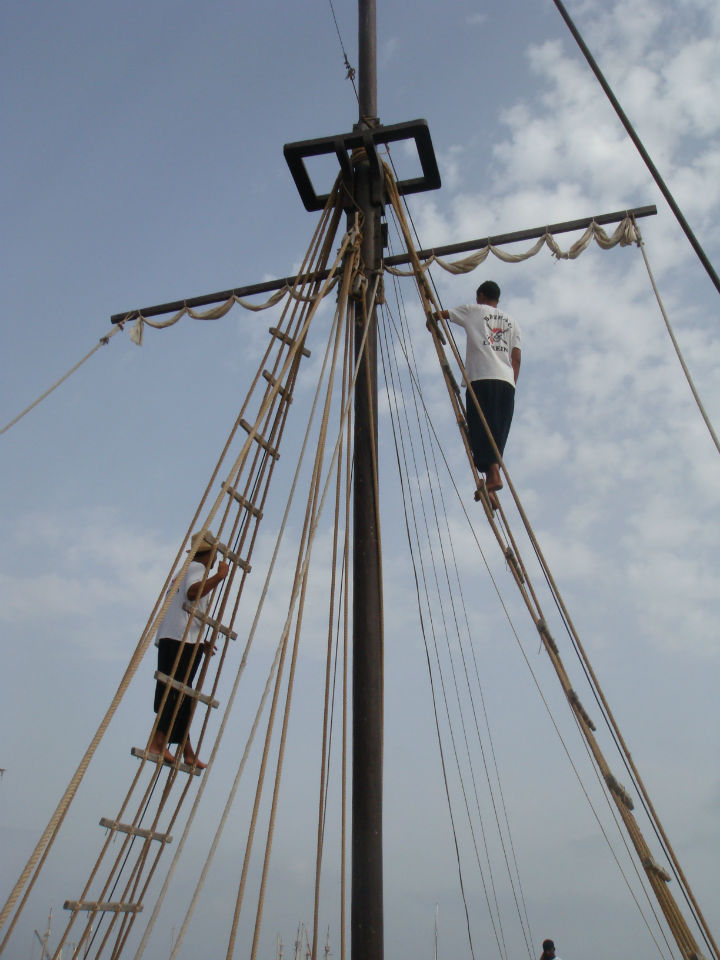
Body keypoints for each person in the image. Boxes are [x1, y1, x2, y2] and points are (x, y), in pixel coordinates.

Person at [148, 530, 229, 769]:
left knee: (179, 695)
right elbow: (193, 594)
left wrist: (200, 641)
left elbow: (184, 606)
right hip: (179, 639)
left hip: (177, 637)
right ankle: (160, 743)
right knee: (177, 694)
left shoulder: (183, 571)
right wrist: (220, 576)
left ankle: (185, 750)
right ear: (211, 553)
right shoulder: (196, 569)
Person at [439, 280, 521, 503]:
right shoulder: (513, 322)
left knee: (479, 429)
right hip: (506, 383)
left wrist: (432, 320)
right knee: (495, 433)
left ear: (481, 296)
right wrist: (511, 383)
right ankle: (492, 485)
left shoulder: (473, 311)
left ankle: (493, 478)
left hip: (482, 378)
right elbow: (516, 359)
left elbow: (442, 314)